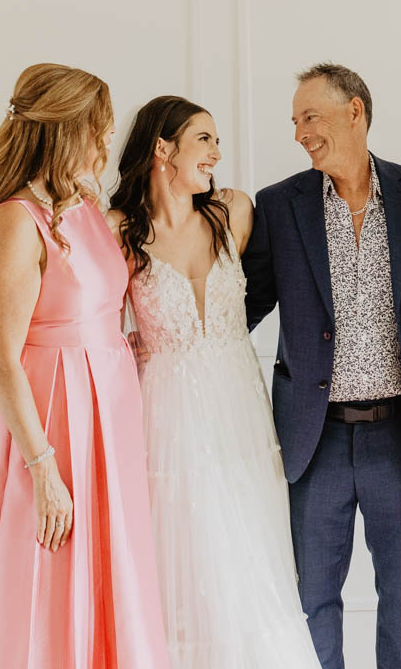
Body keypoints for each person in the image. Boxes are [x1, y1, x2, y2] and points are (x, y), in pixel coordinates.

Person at [0, 62, 169, 669]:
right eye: (98, 129)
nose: (106, 143)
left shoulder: (85, 206)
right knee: (42, 578)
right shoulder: (15, 219)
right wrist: (43, 468)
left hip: (106, 421)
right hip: (46, 424)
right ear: (64, 131)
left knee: (108, 570)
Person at [106, 95, 321, 669]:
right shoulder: (120, 231)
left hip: (239, 410)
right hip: (165, 415)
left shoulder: (234, 212)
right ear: (163, 148)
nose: (217, 154)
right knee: (184, 554)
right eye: (205, 139)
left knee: (248, 554)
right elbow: (99, 323)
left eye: (217, 141)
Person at [242, 63, 401, 669]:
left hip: (400, 434)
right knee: (313, 602)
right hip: (314, 437)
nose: (300, 133)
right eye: (295, 122)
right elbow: (244, 305)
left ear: (355, 111)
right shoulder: (279, 205)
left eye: (311, 116)